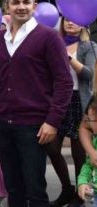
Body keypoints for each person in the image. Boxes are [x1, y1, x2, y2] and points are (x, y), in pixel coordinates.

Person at [0, 0, 73, 207]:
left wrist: (53, 121)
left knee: (35, 190)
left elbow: (64, 82)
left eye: (26, 2)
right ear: (7, 7)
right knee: (13, 189)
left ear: (35, 6)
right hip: (5, 125)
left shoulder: (49, 37)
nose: (21, 7)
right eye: (15, 2)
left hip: (34, 126)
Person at [47, 17, 96, 207]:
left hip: (79, 101)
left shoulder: (88, 46)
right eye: (67, 19)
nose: (70, 23)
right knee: (51, 147)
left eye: (75, 19)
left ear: (83, 23)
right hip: (59, 100)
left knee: (78, 154)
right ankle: (66, 188)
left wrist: (68, 58)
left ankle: (79, 194)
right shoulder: (54, 43)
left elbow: (89, 75)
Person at [77, 98, 97, 201]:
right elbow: (88, 164)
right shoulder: (95, 142)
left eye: (90, 120)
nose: (88, 123)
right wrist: (82, 182)